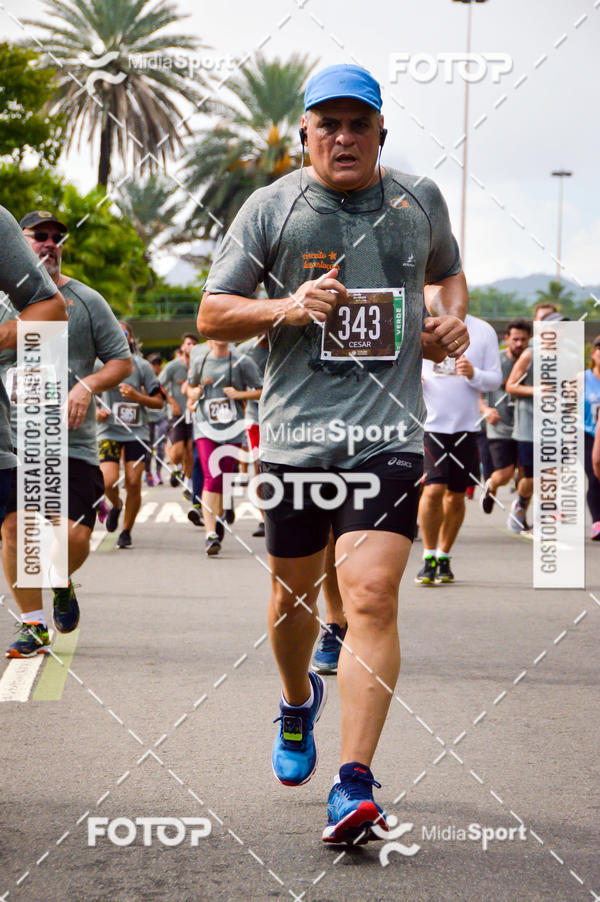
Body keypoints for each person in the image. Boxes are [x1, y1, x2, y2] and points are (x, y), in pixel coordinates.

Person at [197, 63, 469, 843]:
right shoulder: (272, 207)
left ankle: (353, 784)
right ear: (306, 133)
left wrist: (449, 320)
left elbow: (449, 277)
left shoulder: (419, 201)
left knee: (373, 595)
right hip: (295, 440)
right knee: (293, 602)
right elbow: (212, 314)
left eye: (358, 124)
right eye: (328, 125)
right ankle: (296, 703)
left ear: (381, 131)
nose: (343, 138)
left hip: (387, 438)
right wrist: (287, 307)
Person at [0, 206, 69, 656]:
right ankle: (35, 621)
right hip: (12, 428)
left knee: (28, 526)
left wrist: (83, 391)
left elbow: (117, 362)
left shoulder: (83, 299)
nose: (48, 244)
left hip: (58, 434)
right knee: (17, 525)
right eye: (39, 236)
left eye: (54, 237)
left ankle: (57, 581)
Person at [416, 314, 501, 584]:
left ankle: (444, 556)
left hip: (466, 427)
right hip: (430, 425)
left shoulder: (483, 330)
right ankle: (428, 556)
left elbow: (495, 380)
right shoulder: (419, 323)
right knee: (433, 489)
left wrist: (474, 374)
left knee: (455, 496)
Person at [186, 339, 262, 555]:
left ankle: (218, 516)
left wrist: (240, 395)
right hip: (205, 427)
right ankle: (210, 534)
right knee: (212, 476)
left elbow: (262, 390)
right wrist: (195, 393)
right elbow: (189, 388)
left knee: (223, 478)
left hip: (232, 428)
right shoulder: (200, 360)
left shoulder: (241, 361)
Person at [96, 322, 162, 549]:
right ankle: (116, 504)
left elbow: (158, 402)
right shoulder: (99, 364)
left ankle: (126, 531)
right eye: (113, 331)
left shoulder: (142, 366)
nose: (119, 336)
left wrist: (137, 397)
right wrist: (96, 412)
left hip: (137, 433)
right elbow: (85, 392)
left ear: (130, 338)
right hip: (108, 431)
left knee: (133, 482)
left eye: (123, 333)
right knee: (107, 480)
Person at [479, 320, 531, 514]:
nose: (519, 344)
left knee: (527, 475)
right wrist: (485, 410)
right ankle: (491, 486)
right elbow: (476, 390)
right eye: (515, 339)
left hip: (526, 426)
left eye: (523, 340)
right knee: (505, 474)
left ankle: (520, 512)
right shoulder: (496, 362)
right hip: (500, 426)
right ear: (507, 339)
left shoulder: (533, 361)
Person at [236, 334, 269, 537]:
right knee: (259, 467)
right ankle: (264, 518)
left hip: (284, 419)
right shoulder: (243, 351)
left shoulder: (287, 343)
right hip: (255, 417)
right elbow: (234, 386)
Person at [160, 334, 198, 492]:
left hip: (194, 414)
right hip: (177, 414)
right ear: (183, 346)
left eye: (194, 344)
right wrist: (171, 401)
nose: (190, 346)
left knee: (190, 450)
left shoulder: (199, 364)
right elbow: (158, 385)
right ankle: (176, 466)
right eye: (188, 343)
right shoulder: (173, 366)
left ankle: (188, 483)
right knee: (177, 452)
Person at [583, 335, 600, 539]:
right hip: (586, 433)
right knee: (595, 476)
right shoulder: (583, 378)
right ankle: (597, 521)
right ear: (594, 354)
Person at [144, 352, 169, 486]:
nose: (156, 366)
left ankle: (158, 472)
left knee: (160, 446)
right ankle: (148, 472)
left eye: (158, 363)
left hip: (161, 417)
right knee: (148, 447)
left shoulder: (163, 380)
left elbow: (168, 397)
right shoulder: (144, 379)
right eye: (153, 363)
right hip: (148, 418)